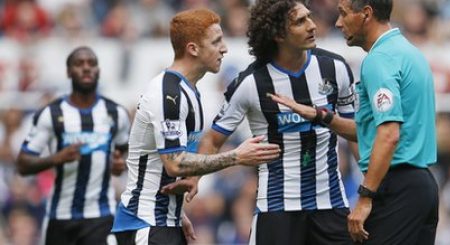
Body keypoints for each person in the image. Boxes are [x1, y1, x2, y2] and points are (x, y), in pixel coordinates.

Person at [268, 0, 439, 244]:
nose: (338, 23)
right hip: (421, 186)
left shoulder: (379, 60)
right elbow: (371, 131)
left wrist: (365, 196)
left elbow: (389, 135)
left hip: (397, 186)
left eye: (343, 14)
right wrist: (322, 116)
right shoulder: (408, 52)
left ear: (366, 14)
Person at [111, 8, 280, 245]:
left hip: (166, 221)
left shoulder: (190, 92)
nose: (224, 48)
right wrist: (236, 157)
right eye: (216, 41)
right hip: (145, 224)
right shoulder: (168, 93)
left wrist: (178, 214)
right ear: (193, 48)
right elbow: (175, 163)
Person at [198, 1, 356, 244]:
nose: (313, 25)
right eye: (300, 21)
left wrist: (370, 189)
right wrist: (193, 178)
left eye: (309, 17)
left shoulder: (335, 68)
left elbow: (355, 132)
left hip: (331, 205)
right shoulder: (251, 83)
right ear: (278, 34)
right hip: (277, 208)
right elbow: (213, 138)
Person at [16, 46, 131, 245]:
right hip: (61, 216)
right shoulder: (51, 114)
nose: (86, 68)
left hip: (101, 215)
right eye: (79, 64)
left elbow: (123, 152)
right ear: (68, 72)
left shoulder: (115, 113)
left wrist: (118, 165)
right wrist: (56, 158)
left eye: (92, 64)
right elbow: (22, 164)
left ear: (99, 71)